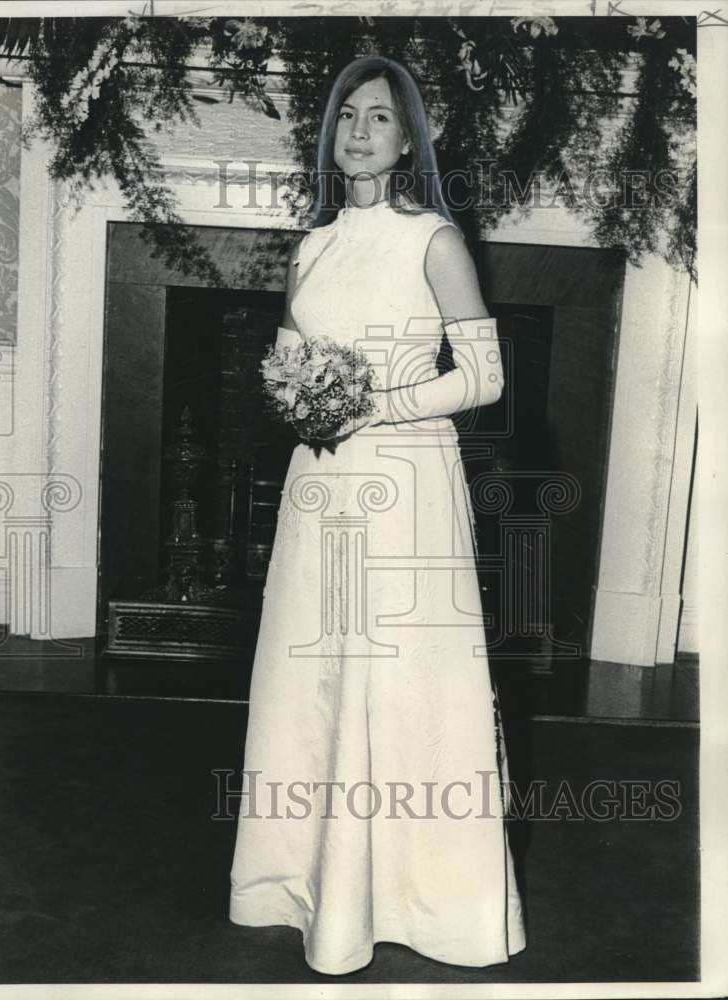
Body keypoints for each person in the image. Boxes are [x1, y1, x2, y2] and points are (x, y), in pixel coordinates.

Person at [229, 54, 526, 975]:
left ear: (408, 142)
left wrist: (371, 405)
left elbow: (485, 378)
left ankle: (419, 897)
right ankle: (306, 884)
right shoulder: (311, 246)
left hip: (403, 482)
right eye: (348, 116)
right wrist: (305, 401)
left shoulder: (432, 239)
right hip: (320, 488)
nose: (360, 132)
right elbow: (289, 366)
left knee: (396, 676)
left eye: (381, 120)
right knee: (310, 673)